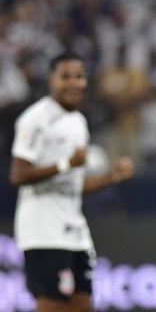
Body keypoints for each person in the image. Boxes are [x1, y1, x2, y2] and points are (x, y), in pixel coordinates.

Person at [9, 51, 134, 312]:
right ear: (51, 80)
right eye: (65, 77)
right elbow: (18, 175)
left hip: (75, 233)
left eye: (79, 77)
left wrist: (112, 176)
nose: (74, 83)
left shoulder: (78, 122)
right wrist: (66, 164)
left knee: (83, 306)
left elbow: (74, 187)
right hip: (43, 234)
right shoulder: (36, 119)